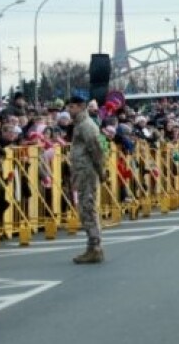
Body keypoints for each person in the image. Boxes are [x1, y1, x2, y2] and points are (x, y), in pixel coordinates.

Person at [67, 95, 106, 264]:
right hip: (82, 171)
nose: (69, 110)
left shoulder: (86, 125)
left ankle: (95, 247)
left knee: (87, 207)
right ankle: (92, 246)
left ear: (81, 106)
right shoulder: (79, 125)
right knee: (85, 207)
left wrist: (100, 169)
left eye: (72, 107)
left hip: (87, 171)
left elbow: (96, 148)